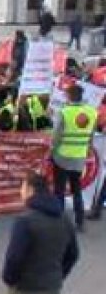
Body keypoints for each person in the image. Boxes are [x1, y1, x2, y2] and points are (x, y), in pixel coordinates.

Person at [50, 84, 97, 231]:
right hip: (79, 157)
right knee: (77, 190)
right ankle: (80, 221)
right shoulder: (92, 112)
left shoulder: (64, 112)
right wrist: (86, 150)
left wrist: (52, 151)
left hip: (62, 157)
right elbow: (90, 136)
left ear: (69, 96)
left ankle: (59, 222)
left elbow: (56, 136)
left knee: (59, 190)